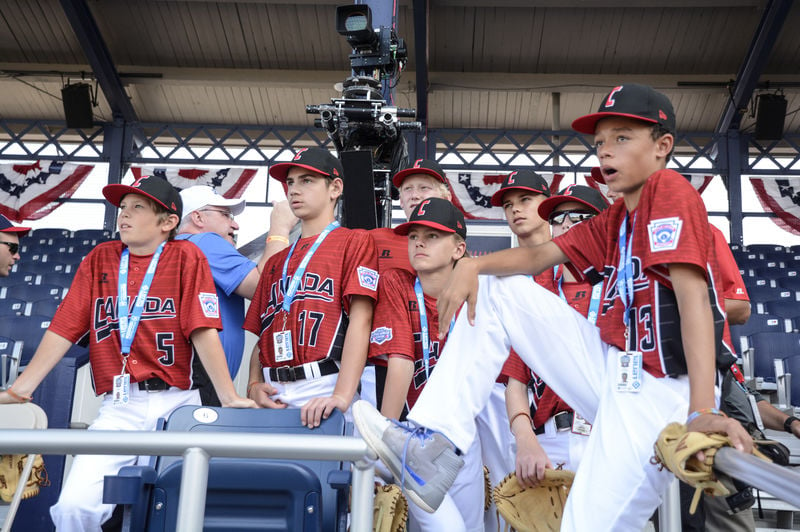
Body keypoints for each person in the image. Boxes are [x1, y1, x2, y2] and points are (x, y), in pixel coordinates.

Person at [352, 83, 753, 530]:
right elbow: (537, 257)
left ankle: (432, 443)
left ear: (662, 146)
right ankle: (431, 443)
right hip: (616, 376)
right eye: (600, 142)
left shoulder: (668, 189)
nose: (606, 152)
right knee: (499, 289)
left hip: (664, 390)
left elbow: (695, 298)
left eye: (622, 138)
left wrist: (700, 410)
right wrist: (470, 267)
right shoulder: (617, 218)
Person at [0, 175, 255, 530]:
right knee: (74, 508)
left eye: (138, 207)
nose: (124, 214)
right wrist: (22, 388)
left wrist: (227, 396)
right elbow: (65, 326)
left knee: (185, 509)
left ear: (168, 222)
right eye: (122, 207)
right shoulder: (101, 257)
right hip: (121, 406)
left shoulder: (187, 255)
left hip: (178, 403)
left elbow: (202, 329)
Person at [369, 197, 483, 531]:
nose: (419, 241)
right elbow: (401, 361)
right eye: (414, 234)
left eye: (432, 236)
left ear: (458, 249)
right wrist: (386, 439)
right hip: (415, 439)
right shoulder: (397, 283)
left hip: (464, 439)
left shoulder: (479, 293)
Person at [244, 148, 377, 428]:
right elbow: (263, 331)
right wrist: (253, 383)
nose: (294, 190)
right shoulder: (277, 260)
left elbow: (361, 320)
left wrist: (342, 394)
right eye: (290, 182)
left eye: (307, 181)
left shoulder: (355, 241)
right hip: (273, 390)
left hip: (324, 383)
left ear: (335, 188)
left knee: (327, 471)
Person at [503, 185, 608, 485]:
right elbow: (516, 381)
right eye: (558, 218)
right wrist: (524, 440)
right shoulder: (537, 292)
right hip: (547, 441)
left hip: (610, 436)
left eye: (577, 216)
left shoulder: (620, 290)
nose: (565, 224)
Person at [176, 185, 295, 405]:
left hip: (188, 384)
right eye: (225, 215)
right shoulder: (204, 242)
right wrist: (280, 228)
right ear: (198, 218)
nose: (235, 224)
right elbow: (265, 286)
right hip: (200, 386)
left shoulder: (179, 250)